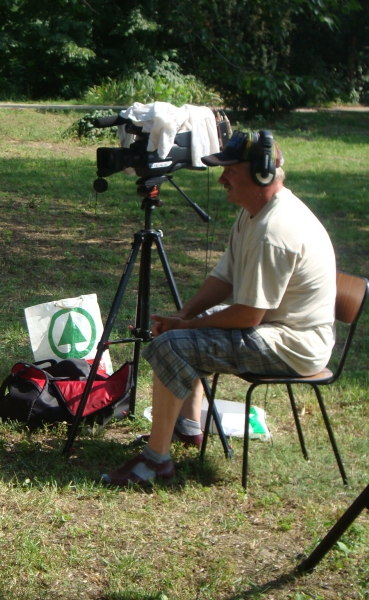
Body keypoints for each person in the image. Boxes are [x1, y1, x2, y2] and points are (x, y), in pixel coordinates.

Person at [102, 130, 337, 486]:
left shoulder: (276, 230)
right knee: (187, 334)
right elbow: (225, 280)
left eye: (230, 169)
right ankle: (187, 429)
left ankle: (155, 462)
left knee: (172, 346)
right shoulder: (255, 214)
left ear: (261, 174)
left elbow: (248, 315)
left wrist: (184, 327)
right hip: (275, 331)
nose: (222, 177)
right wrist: (186, 314)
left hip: (295, 346)